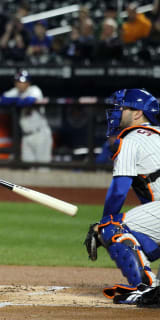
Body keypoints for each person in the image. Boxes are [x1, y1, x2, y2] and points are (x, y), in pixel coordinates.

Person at [84, 88, 160, 306]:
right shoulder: (156, 135)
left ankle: (143, 288)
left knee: (112, 226)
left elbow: (119, 189)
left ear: (138, 113)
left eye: (122, 107)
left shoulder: (132, 139)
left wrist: (104, 225)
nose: (116, 112)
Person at [1, 70, 52, 163]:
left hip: (40, 134)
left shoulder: (35, 90)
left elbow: (29, 101)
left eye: (23, 82)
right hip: (26, 136)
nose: (20, 84)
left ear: (28, 83)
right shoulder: (16, 92)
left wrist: (15, 101)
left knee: (43, 169)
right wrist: (18, 100)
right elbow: (3, 99)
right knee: (29, 170)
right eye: (18, 82)